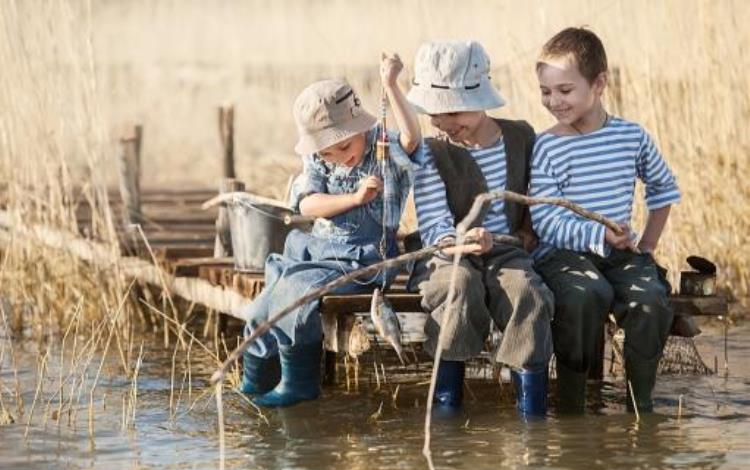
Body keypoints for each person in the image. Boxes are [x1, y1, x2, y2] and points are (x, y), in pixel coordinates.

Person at [240, 54, 420, 408]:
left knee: (296, 291)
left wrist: (391, 85)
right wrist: (352, 198)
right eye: (328, 152)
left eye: (345, 146)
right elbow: (306, 205)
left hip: (364, 260)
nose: (340, 157)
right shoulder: (319, 159)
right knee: (262, 305)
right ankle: (254, 381)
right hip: (317, 250)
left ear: (362, 128)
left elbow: (413, 138)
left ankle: (300, 382)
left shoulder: (384, 150)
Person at [530, 27, 681, 413]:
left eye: (565, 90)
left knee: (650, 299)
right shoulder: (547, 145)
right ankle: (572, 404)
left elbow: (663, 187)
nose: (554, 101)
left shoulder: (630, 136)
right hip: (563, 254)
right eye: (546, 91)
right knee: (585, 294)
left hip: (619, 253)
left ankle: (639, 404)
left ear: (599, 84)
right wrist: (599, 235)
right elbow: (545, 221)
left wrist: (647, 245)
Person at [406, 40, 553, 416]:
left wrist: (516, 236)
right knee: (459, 287)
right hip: (447, 253)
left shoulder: (521, 137)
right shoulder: (431, 152)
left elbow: (533, 207)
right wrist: (458, 242)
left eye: (454, 112)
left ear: (482, 100)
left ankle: (531, 413)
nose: (445, 123)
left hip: (508, 250)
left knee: (528, 294)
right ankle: (446, 409)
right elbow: (435, 223)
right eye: (435, 115)